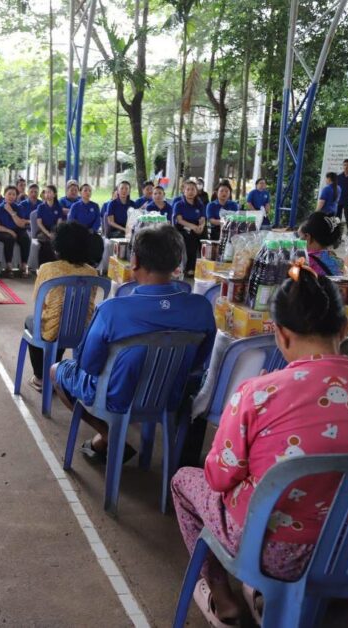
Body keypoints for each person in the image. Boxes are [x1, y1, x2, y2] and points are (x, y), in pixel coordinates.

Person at [171, 268, 348, 626]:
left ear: (281, 334)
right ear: (343, 329)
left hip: (270, 552)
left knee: (184, 480)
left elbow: (218, 477)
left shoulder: (258, 393)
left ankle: (223, 599)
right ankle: (266, 596)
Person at [49, 224, 216, 461]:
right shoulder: (201, 308)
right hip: (167, 395)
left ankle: (108, 436)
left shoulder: (111, 310)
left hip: (115, 398)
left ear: (134, 261)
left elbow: (89, 365)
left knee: (57, 371)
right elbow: (198, 363)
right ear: (178, 263)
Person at [26, 222, 99, 391]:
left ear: (57, 246)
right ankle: (56, 373)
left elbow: (39, 301)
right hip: (82, 329)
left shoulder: (47, 269)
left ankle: (40, 377)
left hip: (52, 332)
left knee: (33, 321)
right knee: (67, 319)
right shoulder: (92, 272)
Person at [0, 185, 32, 276]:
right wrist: (10, 231)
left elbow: (21, 224)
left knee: (25, 238)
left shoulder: (19, 207)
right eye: (9, 194)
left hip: (17, 229)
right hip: (2, 231)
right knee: (9, 238)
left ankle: (24, 265)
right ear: (4, 195)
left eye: (13, 194)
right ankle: (9, 266)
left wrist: (11, 212)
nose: (11, 196)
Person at [173, 178, 207, 276]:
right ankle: (189, 268)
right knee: (191, 240)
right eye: (188, 189)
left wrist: (201, 227)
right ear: (184, 191)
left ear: (196, 191)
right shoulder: (179, 204)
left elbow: (203, 218)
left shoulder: (199, 204)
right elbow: (179, 220)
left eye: (193, 189)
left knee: (205, 241)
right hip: (183, 227)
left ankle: (204, 267)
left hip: (197, 227)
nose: (190, 192)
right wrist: (193, 227)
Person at [299, 211, 345, 276]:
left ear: (307, 236)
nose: (298, 239)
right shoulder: (336, 259)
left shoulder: (306, 261)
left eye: (299, 236)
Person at [35, 184, 65, 266]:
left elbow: (59, 222)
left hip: (54, 230)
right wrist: (48, 234)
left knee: (57, 241)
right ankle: (43, 266)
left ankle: (54, 265)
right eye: (46, 192)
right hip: (43, 231)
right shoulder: (41, 207)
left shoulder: (58, 207)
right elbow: (39, 223)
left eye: (49, 192)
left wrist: (55, 232)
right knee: (46, 242)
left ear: (54, 194)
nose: (47, 194)